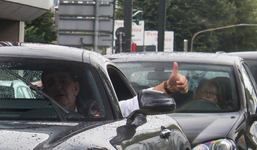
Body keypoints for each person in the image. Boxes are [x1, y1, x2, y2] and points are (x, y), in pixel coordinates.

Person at [38, 62, 189, 118]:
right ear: (44, 92)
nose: (58, 87)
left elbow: (133, 104)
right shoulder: (32, 117)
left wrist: (168, 87)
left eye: (63, 81)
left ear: (76, 88)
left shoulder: (99, 112)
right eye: (51, 83)